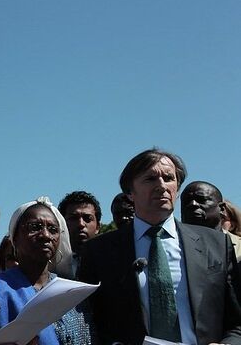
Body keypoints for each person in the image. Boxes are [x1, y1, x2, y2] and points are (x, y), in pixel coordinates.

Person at [78, 148, 241, 345]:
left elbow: (237, 321)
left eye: (168, 178)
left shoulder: (216, 245)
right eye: (150, 179)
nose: (162, 186)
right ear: (130, 192)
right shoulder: (99, 251)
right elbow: (89, 322)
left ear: (178, 188)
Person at [0, 196, 96, 345]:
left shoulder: (72, 292)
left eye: (53, 230)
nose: (46, 235)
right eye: (35, 227)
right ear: (14, 237)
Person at [181, 181, 241, 262]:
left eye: (201, 199)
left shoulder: (239, 247)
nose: (193, 204)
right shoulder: (172, 246)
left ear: (222, 208)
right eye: (186, 201)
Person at [58, 191, 101, 278]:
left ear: (98, 227)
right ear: (61, 224)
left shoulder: (111, 262)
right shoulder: (52, 265)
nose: (81, 224)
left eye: (87, 218)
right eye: (73, 218)